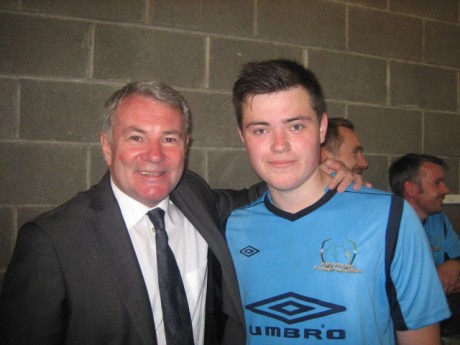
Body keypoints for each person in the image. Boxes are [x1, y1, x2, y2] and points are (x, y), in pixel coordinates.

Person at [0, 81, 356, 345]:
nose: (155, 155)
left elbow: (258, 191)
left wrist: (318, 166)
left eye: (169, 138)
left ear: (186, 145)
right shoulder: (52, 241)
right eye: (136, 138)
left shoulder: (193, 196)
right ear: (107, 146)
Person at [225, 59, 450, 345]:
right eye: (260, 130)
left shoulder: (390, 217)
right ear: (242, 136)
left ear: (321, 128)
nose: (279, 145)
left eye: (295, 126)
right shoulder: (233, 226)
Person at [389, 154, 460, 337]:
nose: (446, 189)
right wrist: (433, 281)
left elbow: (457, 253)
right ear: (411, 188)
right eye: (438, 183)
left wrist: (454, 265)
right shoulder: (386, 226)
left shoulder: (439, 219)